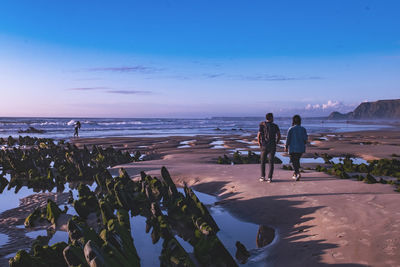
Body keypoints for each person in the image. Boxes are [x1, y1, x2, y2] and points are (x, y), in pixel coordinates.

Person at [257, 113, 281, 183]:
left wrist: (259, 143)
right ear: (271, 118)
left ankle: (262, 176)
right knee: (271, 162)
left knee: (263, 162)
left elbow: (258, 135)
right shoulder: (275, 126)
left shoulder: (262, 125)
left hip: (264, 145)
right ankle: (270, 178)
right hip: (272, 145)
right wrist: (276, 142)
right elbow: (279, 135)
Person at [285, 115, 308, 181]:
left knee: (293, 161)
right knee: (297, 160)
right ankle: (296, 173)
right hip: (300, 148)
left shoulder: (291, 129)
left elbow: (288, 139)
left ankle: (297, 173)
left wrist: (286, 146)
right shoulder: (303, 129)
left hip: (292, 148)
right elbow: (305, 139)